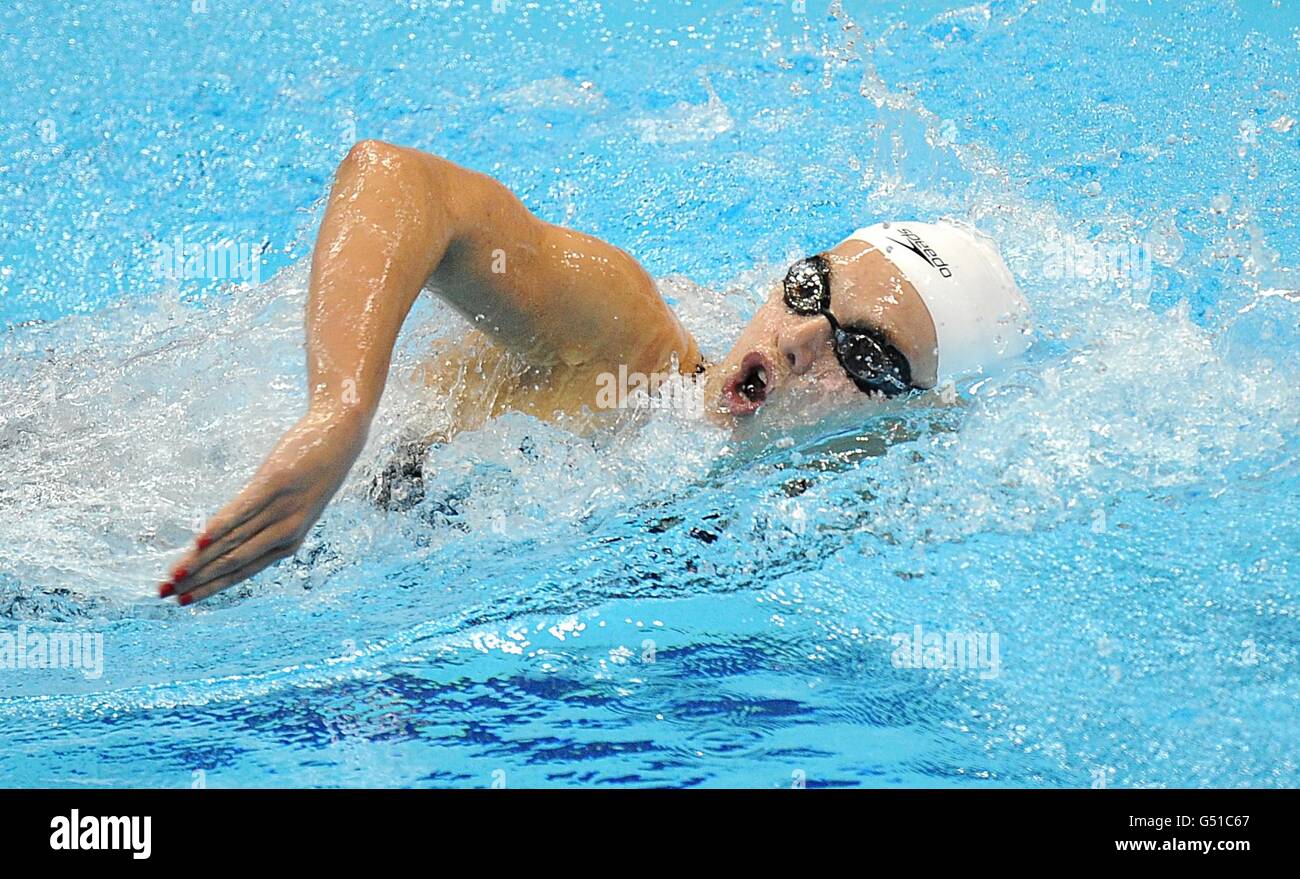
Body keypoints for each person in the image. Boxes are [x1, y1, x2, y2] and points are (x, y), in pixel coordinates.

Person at [159, 140, 1032, 605]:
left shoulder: (765, 522)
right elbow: (395, 182)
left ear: (907, 425)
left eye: (867, 355)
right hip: (101, 503)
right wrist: (341, 407)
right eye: (810, 287)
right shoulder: (628, 344)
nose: (805, 336)